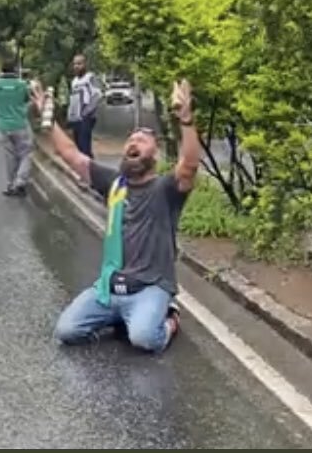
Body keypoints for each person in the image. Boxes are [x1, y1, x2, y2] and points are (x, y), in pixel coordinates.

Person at [36, 79, 201, 354]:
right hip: (109, 288)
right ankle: (119, 316)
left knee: (145, 339)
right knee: (67, 331)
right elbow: (71, 155)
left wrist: (185, 119)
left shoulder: (165, 189)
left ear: (154, 154)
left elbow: (190, 165)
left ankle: (169, 317)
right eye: (130, 140)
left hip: (150, 287)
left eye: (142, 140)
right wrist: (47, 117)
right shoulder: (114, 184)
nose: (133, 142)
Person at [0, 61, 37, 197]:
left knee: (9, 157)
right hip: (20, 124)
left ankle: (11, 185)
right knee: (26, 153)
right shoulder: (22, 85)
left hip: (2, 126)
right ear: (15, 70)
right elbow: (27, 100)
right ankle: (20, 181)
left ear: (2, 70)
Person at [66, 54, 102, 158]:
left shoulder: (90, 77)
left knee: (85, 146)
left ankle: (89, 169)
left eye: (79, 63)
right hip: (76, 117)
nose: (76, 66)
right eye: (75, 64)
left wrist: (86, 112)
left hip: (86, 117)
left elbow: (97, 95)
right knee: (78, 146)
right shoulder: (74, 81)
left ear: (85, 64)